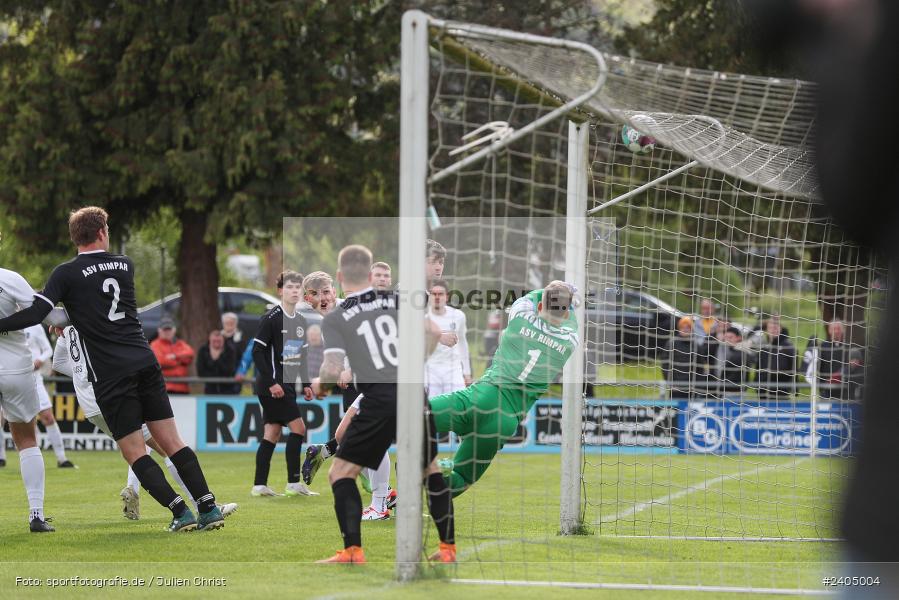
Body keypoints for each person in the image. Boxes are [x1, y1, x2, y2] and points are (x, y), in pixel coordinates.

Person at [0, 206, 224, 532]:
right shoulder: (124, 264)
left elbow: (38, 314)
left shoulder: (65, 273)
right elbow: (98, 304)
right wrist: (72, 316)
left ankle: (180, 512)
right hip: (144, 360)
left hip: (110, 372)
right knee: (172, 441)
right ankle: (208, 507)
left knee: (134, 451)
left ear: (74, 237)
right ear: (102, 232)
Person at [315, 244, 454, 564]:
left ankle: (352, 551)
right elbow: (433, 331)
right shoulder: (396, 300)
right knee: (430, 469)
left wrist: (321, 385)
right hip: (414, 393)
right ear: (370, 275)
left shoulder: (337, 316)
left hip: (379, 399)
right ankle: (448, 549)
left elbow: (332, 369)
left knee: (341, 473)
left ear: (339, 277)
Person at [52, 320, 237, 521]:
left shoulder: (67, 327)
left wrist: (83, 376)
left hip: (90, 406)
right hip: (110, 397)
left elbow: (58, 363)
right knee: (166, 448)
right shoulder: (96, 320)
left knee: (136, 449)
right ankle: (198, 507)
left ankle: (133, 489)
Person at [431, 281, 579, 498]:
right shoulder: (569, 341)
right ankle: (433, 483)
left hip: (481, 397)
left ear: (540, 306)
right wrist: (567, 296)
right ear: (566, 313)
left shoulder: (520, 316)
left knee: (414, 418)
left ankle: (423, 470)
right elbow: (571, 318)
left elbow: (532, 297)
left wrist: (551, 288)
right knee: (463, 477)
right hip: (504, 421)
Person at [250, 270, 317, 497]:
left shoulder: (300, 320)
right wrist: (271, 383)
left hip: (285, 384)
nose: (294, 291)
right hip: (273, 386)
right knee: (299, 428)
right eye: (289, 287)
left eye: (298, 287)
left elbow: (302, 355)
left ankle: (259, 485)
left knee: (272, 432)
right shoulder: (271, 318)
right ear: (280, 291)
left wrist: (306, 383)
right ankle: (293, 483)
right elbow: (257, 351)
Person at [0, 267, 52, 532]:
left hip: (16, 367)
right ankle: (36, 515)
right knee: (27, 441)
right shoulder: (10, 278)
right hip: (15, 367)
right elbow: (39, 310)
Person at [24, 323, 75, 467]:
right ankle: (2, 458)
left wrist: (40, 360)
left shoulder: (34, 326)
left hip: (34, 378)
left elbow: (48, 350)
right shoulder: (7, 324)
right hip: (10, 377)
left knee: (47, 416)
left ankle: (62, 459)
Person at [426, 279, 472, 396]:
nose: (437, 297)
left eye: (440, 294)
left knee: (458, 403)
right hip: (431, 368)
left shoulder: (458, 316)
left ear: (447, 297)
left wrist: (467, 372)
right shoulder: (423, 317)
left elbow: (463, 343)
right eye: (434, 294)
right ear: (430, 296)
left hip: (453, 368)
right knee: (431, 404)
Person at [150, 317, 195, 395]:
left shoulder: (180, 343)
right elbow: (161, 361)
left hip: (183, 389)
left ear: (174, 330)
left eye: (169, 329)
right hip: (164, 389)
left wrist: (175, 356)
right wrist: (180, 362)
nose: (167, 332)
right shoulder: (155, 345)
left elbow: (190, 354)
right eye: (165, 329)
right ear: (159, 330)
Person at [756, 316, 796, 400]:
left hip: (782, 392)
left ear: (781, 328)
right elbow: (758, 368)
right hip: (763, 392)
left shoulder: (788, 347)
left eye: (776, 327)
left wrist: (794, 389)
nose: (773, 330)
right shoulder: (763, 348)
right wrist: (757, 385)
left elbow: (794, 370)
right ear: (766, 330)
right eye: (770, 328)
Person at [662, 317, 700, 399]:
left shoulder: (696, 345)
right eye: (683, 327)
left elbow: (700, 367)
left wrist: (697, 384)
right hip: (676, 387)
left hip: (692, 387)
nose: (685, 330)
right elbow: (665, 366)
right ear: (679, 329)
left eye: (688, 327)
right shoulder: (672, 343)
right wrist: (671, 383)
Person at [196, 330, 240, 395]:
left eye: (219, 341)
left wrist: (218, 357)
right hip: (210, 390)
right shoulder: (203, 350)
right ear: (209, 340)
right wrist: (213, 360)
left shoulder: (230, 350)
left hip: (228, 390)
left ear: (223, 340)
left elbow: (229, 371)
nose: (216, 343)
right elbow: (200, 372)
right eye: (214, 341)